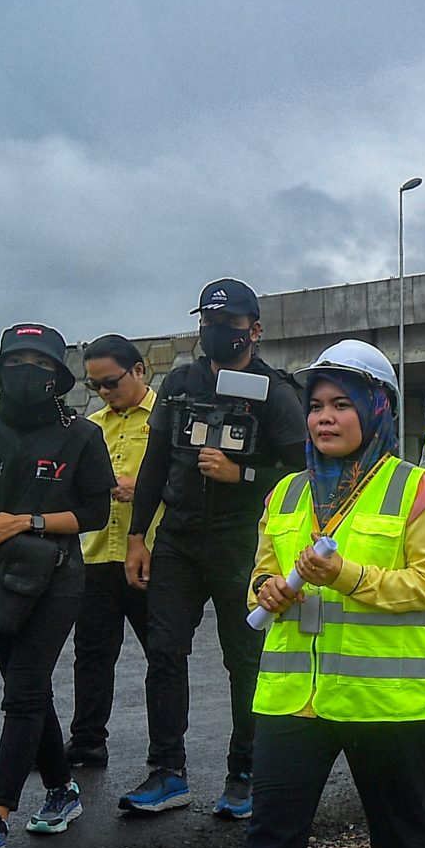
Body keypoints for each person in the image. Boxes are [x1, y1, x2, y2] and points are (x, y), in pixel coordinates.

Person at [200, 340, 425, 848]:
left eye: (342, 404)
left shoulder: (413, 489)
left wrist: (349, 578)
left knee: (399, 824)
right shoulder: (284, 493)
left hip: (382, 702)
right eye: (316, 406)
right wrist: (267, 589)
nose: (325, 418)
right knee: (269, 841)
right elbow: (259, 573)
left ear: (377, 410)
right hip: (290, 701)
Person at [121, 278, 309, 819]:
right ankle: (166, 772)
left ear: (255, 329)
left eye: (228, 325)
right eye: (208, 322)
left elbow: (299, 473)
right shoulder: (180, 382)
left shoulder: (275, 392)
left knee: (244, 659)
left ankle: (245, 774)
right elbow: (156, 461)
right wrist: (138, 535)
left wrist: (241, 472)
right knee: (163, 652)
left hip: (241, 542)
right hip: (178, 538)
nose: (216, 333)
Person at [0, 326, 115, 848]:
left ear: (58, 379)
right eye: (14, 362)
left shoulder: (82, 436)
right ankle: (62, 791)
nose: (25, 373)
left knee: (22, 690)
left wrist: (28, 522)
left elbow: (94, 514)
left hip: (55, 578)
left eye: (39, 366)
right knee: (31, 691)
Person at [65, 336, 155, 769]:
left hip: (150, 555)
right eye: (95, 384)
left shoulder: (167, 421)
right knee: (93, 653)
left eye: (111, 382)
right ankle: (86, 741)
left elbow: (190, 482)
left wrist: (144, 490)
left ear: (140, 371)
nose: (103, 392)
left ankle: (165, 754)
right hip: (98, 553)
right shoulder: (91, 425)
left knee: (163, 656)